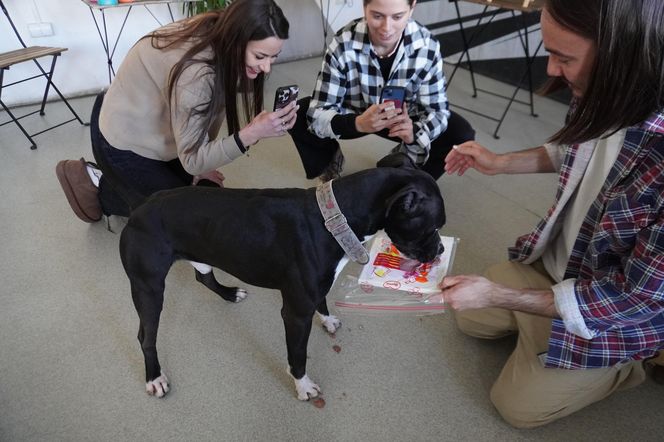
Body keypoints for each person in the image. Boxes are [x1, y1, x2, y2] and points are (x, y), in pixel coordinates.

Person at [438, 0, 664, 428]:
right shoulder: (604, 89)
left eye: (564, 57)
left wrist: (500, 296)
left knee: (517, 408)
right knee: (471, 318)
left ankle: (626, 365)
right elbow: (575, 151)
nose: (551, 70)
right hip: (561, 269)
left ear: (625, 55)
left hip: (615, 312)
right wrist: (499, 162)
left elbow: (633, 297)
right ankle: (541, 325)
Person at [56, 0, 295, 223]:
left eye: (274, 57)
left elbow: (209, 111)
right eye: (260, 56)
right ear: (236, 40)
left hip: (156, 127)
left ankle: (126, 181)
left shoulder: (218, 28)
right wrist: (250, 134)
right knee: (181, 220)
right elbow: (193, 158)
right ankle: (97, 183)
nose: (266, 67)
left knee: (203, 197)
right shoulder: (196, 74)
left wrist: (201, 163)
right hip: (124, 143)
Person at [288, 0, 475, 182]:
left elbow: (438, 111)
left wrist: (414, 133)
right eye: (377, 16)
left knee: (461, 134)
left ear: (412, 8)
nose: (386, 28)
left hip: (406, 118)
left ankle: (402, 173)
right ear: (364, 7)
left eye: (397, 16)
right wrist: (359, 123)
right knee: (297, 113)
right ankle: (329, 161)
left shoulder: (427, 46)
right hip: (356, 112)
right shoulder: (343, 43)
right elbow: (318, 112)